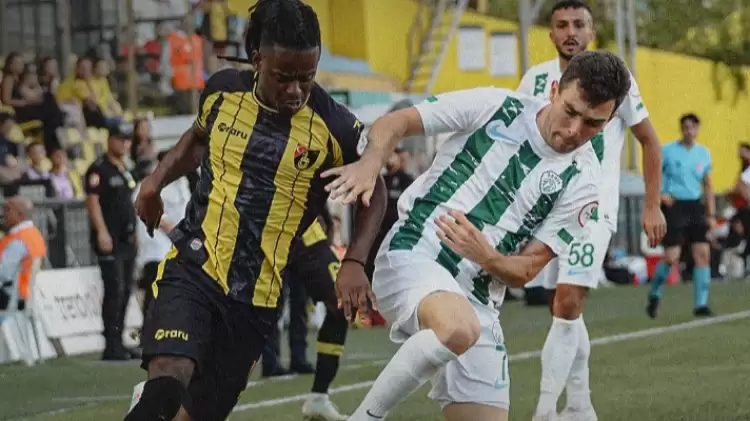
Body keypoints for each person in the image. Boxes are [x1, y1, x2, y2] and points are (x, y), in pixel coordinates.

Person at [323, 51, 631, 421]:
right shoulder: (496, 106)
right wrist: (371, 162)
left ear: (610, 120)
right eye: (571, 112)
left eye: (593, 124)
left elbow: (526, 270)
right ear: (554, 91)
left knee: (465, 333)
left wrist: (487, 256)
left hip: (479, 301)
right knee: (457, 327)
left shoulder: (584, 183)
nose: (574, 131)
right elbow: (396, 122)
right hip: (416, 253)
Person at [126, 1, 386, 420]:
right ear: (256, 58)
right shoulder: (222, 91)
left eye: (307, 77)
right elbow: (197, 139)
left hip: (256, 298)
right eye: (283, 77)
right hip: (194, 266)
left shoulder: (334, 126)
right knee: (168, 383)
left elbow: (376, 187)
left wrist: (355, 260)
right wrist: (154, 183)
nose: (296, 90)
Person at [515, 2, 665, 419]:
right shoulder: (535, 79)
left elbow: (650, 141)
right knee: (559, 305)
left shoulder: (616, 80)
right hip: (545, 210)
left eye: (579, 24)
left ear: (591, 32)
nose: (571, 32)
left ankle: (545, 411)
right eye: (562, 25)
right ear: (550, 34)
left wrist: (652, 205)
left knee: (568, 302)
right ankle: (580, 405)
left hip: (593, 209)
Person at [647, 113, 715, 318]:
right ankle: (655, 293)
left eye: (693, 127)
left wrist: (711, 213)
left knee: (702, 254)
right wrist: (660, 195)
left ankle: (701, 304)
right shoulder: (668, 151)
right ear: (681, 129)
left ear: (697, 129)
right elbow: (653, 172)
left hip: (695, 205)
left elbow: (708, 184)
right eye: (686, 127)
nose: (689, 131)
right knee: (672, 257)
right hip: (675, 205)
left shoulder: (703, 153)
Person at [84, 126, 139, 361]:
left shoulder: (125, 169)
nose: (124, 144)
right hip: (110, 237)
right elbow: (93, 202)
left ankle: (120, 341)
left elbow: (129, 203)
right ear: (110, 141)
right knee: (114, 289)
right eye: (120, 139)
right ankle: (111, 344)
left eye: (127, 140)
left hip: (127, 238)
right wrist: (101, 232)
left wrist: (136, 232)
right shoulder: (99, 169)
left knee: (125, 290)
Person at [0, 196, 46, 310]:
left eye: (7, 210)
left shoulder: (17, 241)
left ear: (20, 215)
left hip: (12, 296)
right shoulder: (34, 234)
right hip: (29, 293)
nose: (3, 214)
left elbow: (4, 273)